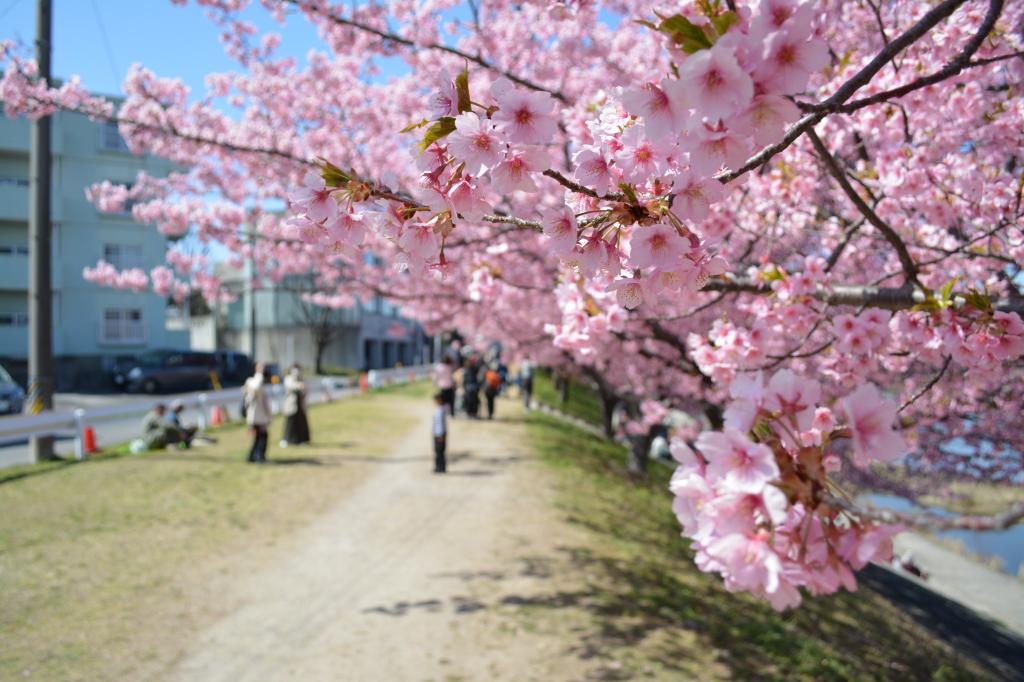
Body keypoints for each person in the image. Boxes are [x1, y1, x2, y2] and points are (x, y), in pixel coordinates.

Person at [244, 363, 273, 463]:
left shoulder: (250, 382)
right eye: (262, 368)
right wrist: (260, 375)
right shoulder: (254, 381)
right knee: (262, 437)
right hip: (258, 415)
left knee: (258, 437)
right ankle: (259, 457)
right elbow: (255, 387)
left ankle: (252, 456)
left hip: (256, 415)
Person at [281, 364, 310, 447]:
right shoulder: (289, 378)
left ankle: (301, 440)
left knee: (301, 424)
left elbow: (306, 389)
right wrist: (298, 384)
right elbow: (291, 385)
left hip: (300, 405)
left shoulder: (302, 379)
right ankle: (286, 440)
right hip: (291, 405)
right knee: (289, 423)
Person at [432, 391, 448, 473]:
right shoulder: (440, 409)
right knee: (437, 451)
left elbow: (440, 424)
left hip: (440, 434)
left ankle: (441, 467)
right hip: (437, 434)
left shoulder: (441, 410)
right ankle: (438, 466)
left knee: (440, 452)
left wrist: (441, 436)